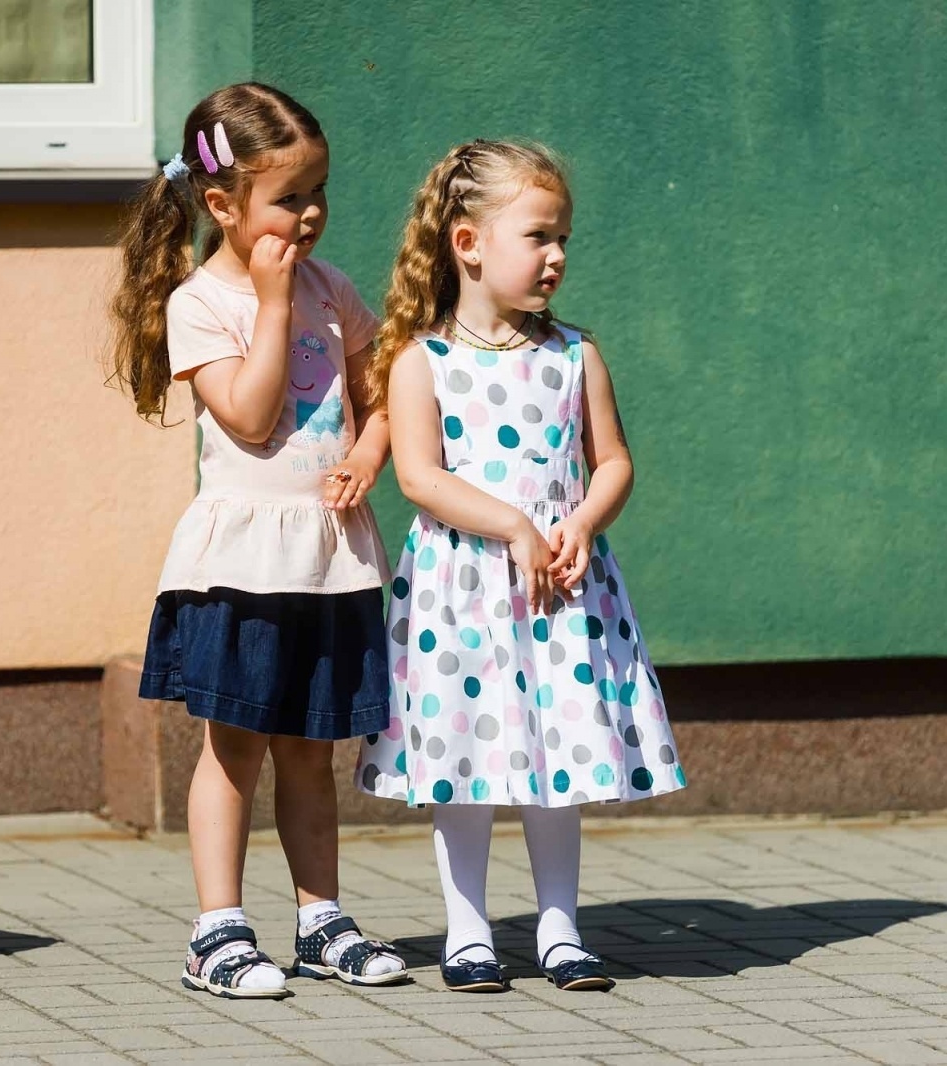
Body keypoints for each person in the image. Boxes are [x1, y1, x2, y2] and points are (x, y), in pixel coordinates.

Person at [357, 140, 686, 992]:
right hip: (463, 591)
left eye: (564, 239)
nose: (557, 256)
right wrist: (511, 525)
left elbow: (612, 460)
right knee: (465, 765)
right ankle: (468, 932)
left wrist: (580, 519)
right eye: (539, 236)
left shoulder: (575, 354)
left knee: (558, 761)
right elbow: (421, 476)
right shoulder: (421, 361)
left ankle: (559, 928)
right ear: (468, 242)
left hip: (560, 593)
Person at [109, 83, 406, 998]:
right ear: (221, 205)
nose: (310, 213)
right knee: (233, 748)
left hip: (329, 560)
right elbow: (245, 414)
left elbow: (381, 390)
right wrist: (274, 306)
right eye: (288, 196)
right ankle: (218, 933)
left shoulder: (335, 289)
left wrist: (366, 452)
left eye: (319, 190)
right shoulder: (202, 304)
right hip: (240, 566)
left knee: (310, 751)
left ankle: (322, 921)